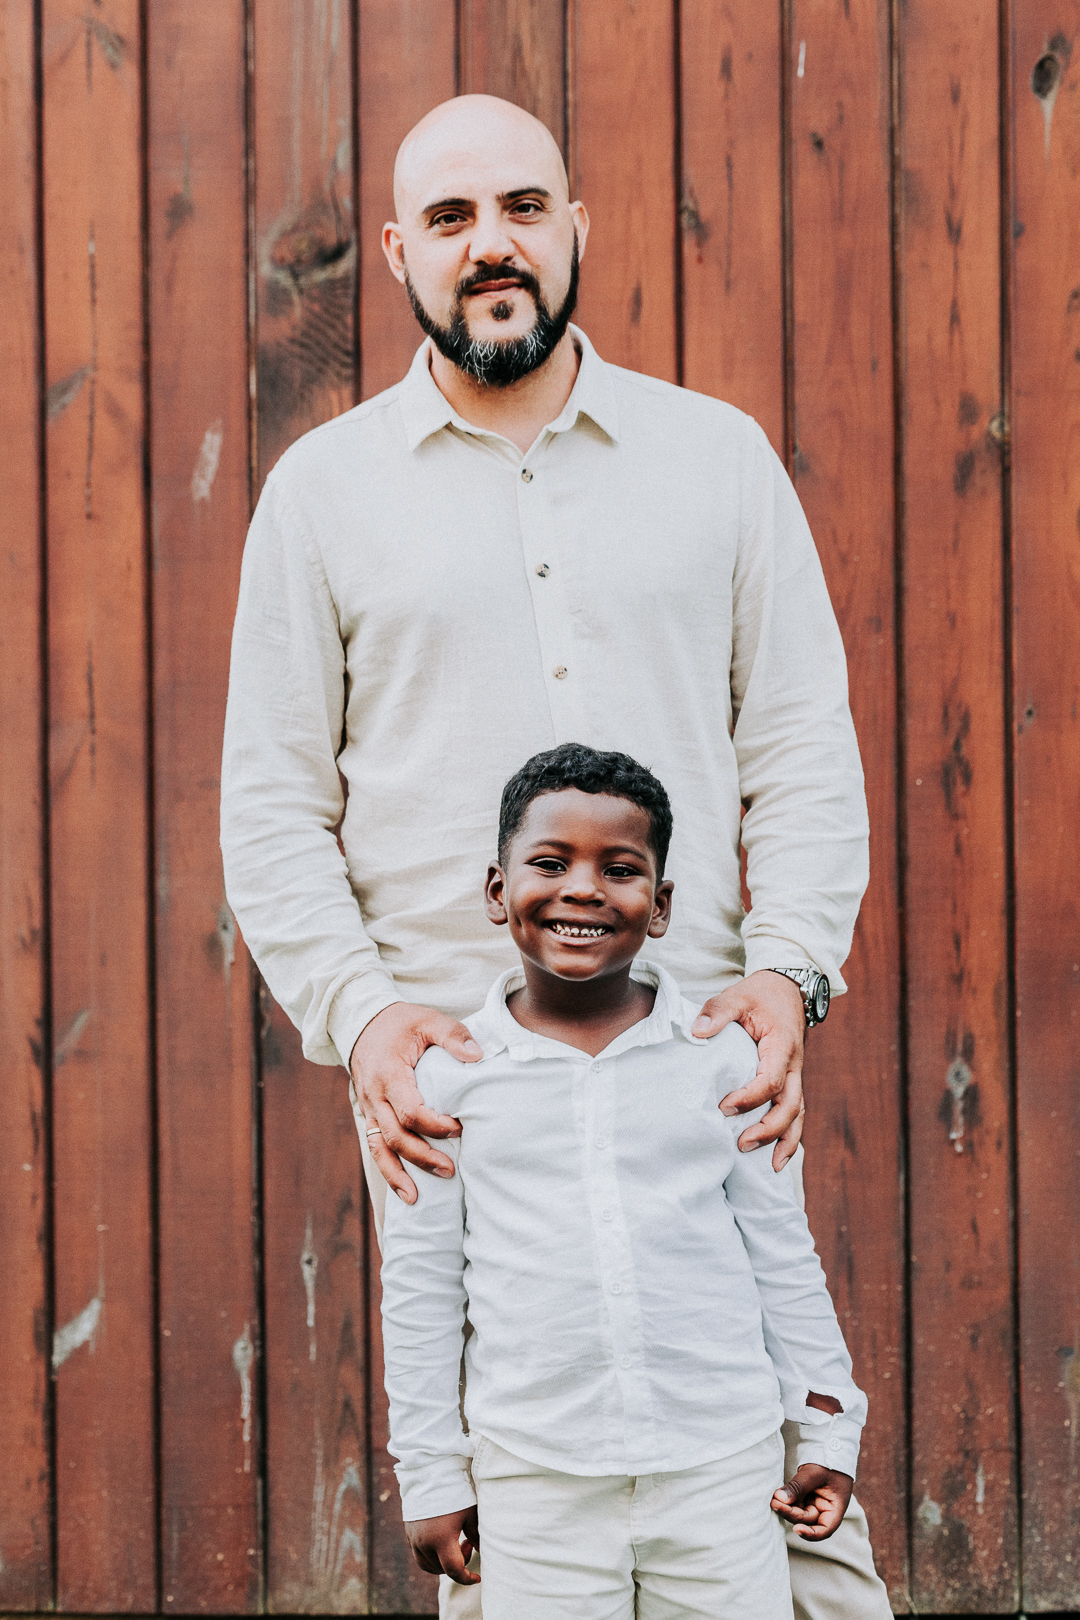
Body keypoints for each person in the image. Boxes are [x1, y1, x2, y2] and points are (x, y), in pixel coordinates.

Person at [221, 92, 892, 1619]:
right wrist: (365, 1017)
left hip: (700, 1074)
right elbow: (268, 803)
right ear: (398, 252)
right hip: (452, 1100)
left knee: (793, 1529)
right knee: (520, 1549)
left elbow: (801, 745)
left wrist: (788, 974)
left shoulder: (715, 462)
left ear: (575, 227)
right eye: (451, 221)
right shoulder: (320, 499)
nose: (492, 245)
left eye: (522, 207)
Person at [382, 744, 867, 1620]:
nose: (583, 889)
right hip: (536, 1475)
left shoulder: (724, 1061)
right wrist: (428, 1470)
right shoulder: (448, 1077)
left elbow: (781, 1252)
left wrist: (830, 1420)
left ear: (663, 903)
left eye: (620, 868)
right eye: (549, 863)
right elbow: (418, 1285)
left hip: (719, 1462)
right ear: (498, 892)